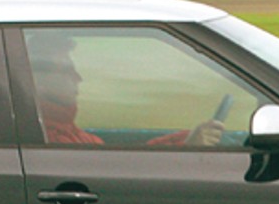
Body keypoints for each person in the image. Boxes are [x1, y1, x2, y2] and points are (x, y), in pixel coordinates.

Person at [31, 33, 223, 147]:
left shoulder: (67, 131)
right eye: (66, 71)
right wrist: (187, 150)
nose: (78, 78)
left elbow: (122, 164)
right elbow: (116, 175)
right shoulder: (52, 139)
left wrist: (185, 142)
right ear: (37, 83)